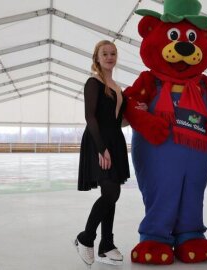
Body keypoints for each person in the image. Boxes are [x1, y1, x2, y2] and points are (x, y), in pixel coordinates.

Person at [74, 40, 129, 266]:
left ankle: (107, 244)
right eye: (104, 54)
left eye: (113, 53)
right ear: (97, 57)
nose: (109, 57)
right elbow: (91, 117)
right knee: (110, 192)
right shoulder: (93, 82)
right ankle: (86, 238)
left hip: (115, 140)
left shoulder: (117, 87)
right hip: (99, 142)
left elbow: (118, 121)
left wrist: (136, 114)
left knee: (112, 193)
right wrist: (100, 148)